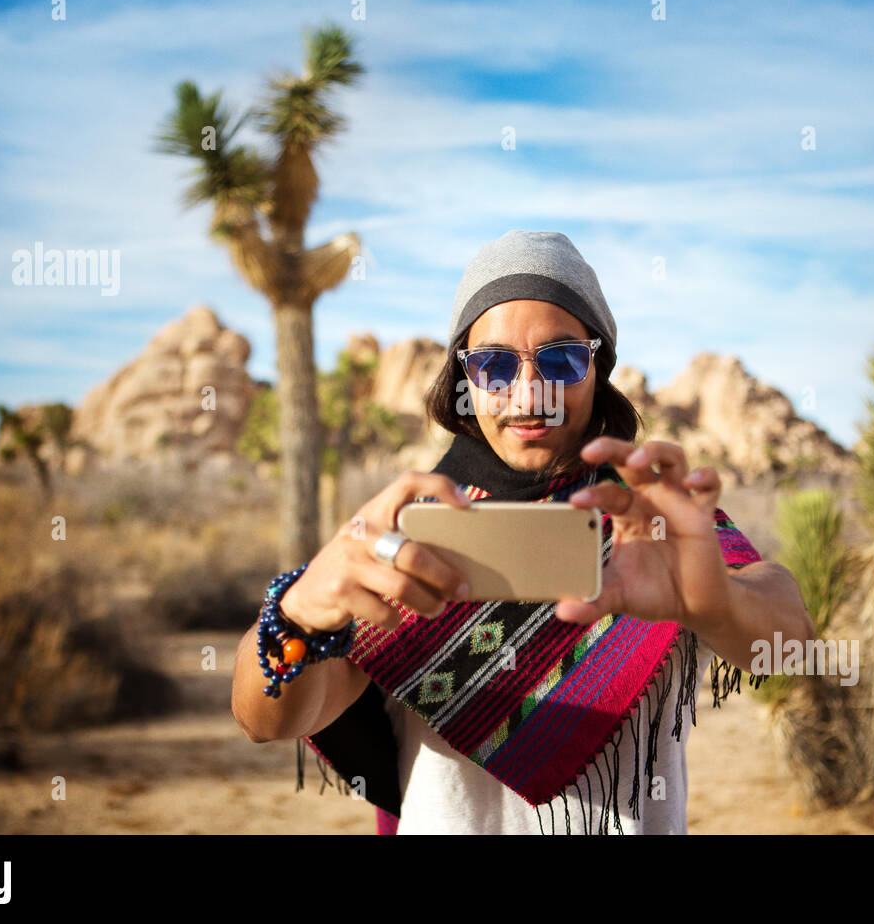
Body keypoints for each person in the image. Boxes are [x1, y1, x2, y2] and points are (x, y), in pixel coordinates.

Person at [231, 229, 813, 834]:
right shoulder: (405, 539)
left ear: (598, 368)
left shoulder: (655, 522)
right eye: (494, 364)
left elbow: (791, 640)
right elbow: (265, 721)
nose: (530, 394)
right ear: (464, 378)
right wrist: (293, 615)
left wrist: (717, 603)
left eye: (562, 359)